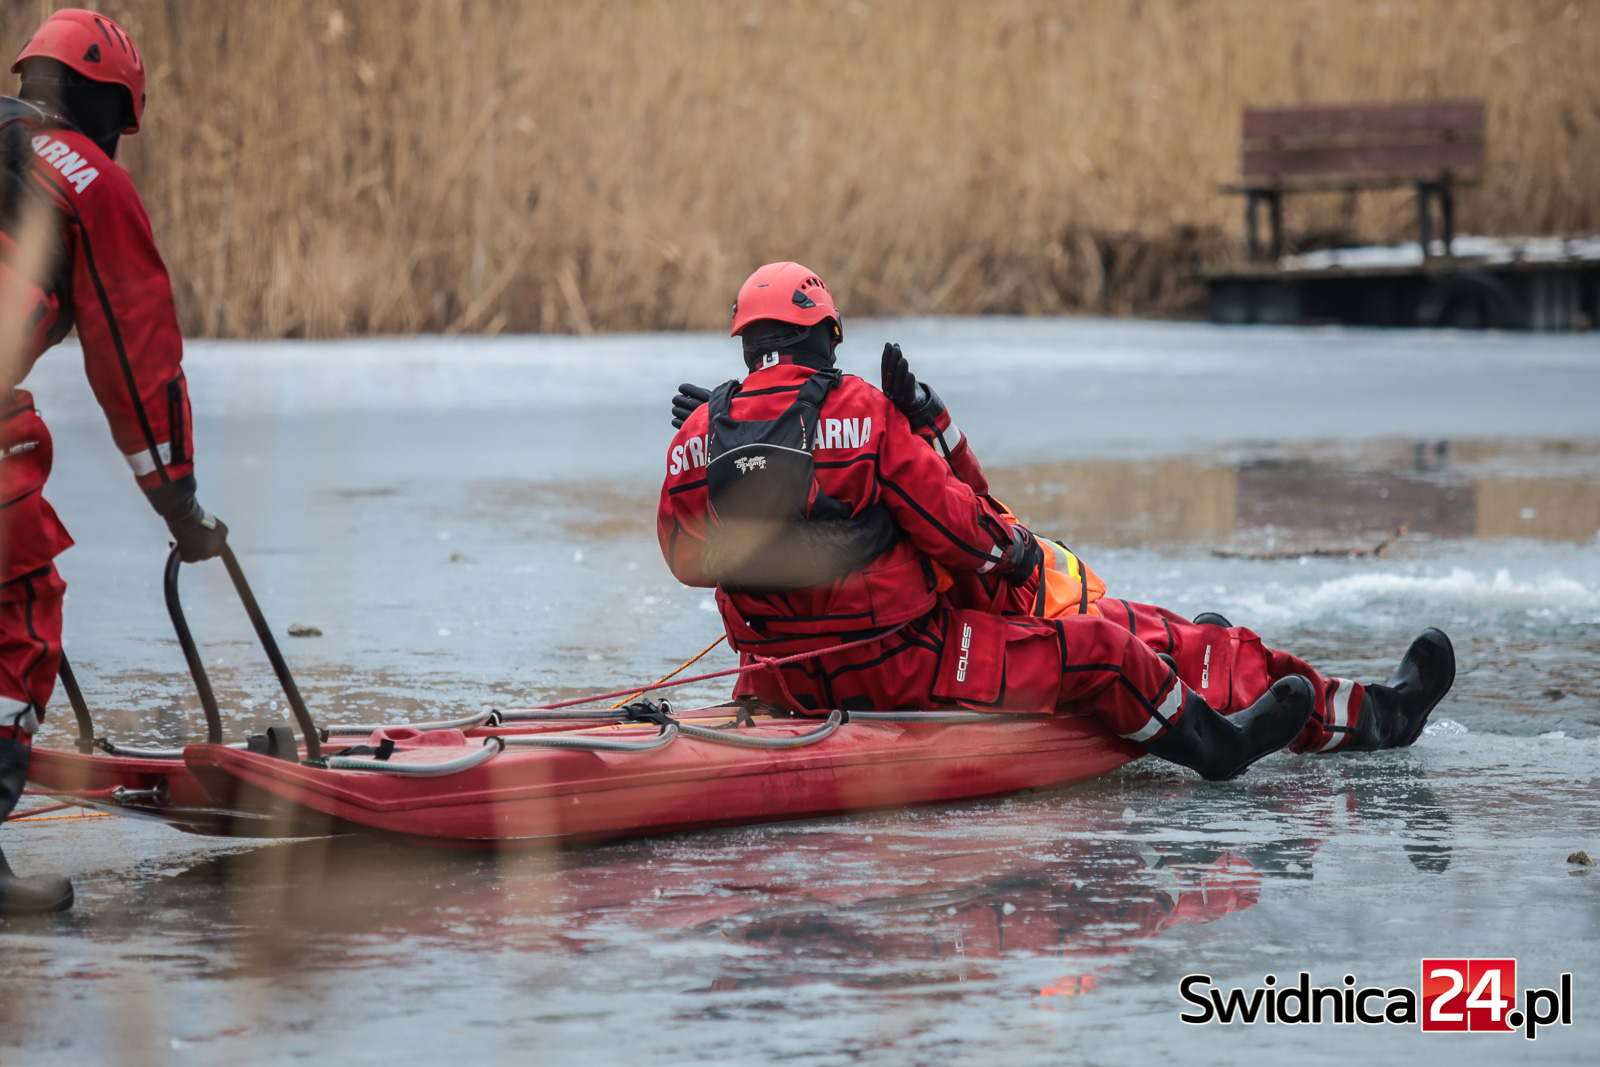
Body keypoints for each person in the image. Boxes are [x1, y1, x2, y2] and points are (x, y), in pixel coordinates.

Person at [657, 261, 1454, 780]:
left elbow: (686, 556)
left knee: (1174, 640)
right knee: (1130, 646)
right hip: (915, 661)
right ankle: (1319, 725)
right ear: (826, 337)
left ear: (746, 343)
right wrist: (1002, 539)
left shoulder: (700, 431)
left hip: (782, 679)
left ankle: (1358, 706)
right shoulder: (863, 411)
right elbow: (968, 532)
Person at [0, 10, 226, 914]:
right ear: (112, 112)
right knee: (17, 611)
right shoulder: (87, 178)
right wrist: (180, 504)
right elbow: (137, 357)